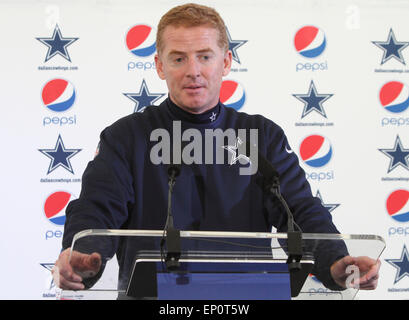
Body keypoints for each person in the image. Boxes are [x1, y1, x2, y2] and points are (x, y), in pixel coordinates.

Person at [53, 3, 380, 294]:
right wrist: (82, 253)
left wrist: (336, 260)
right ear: (159, 66)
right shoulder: (127, 137)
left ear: (225, 62)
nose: (193, 71)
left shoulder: (260, 136)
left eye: (205, 57)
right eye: (178, 58)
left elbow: (300, 211)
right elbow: (97, 209)